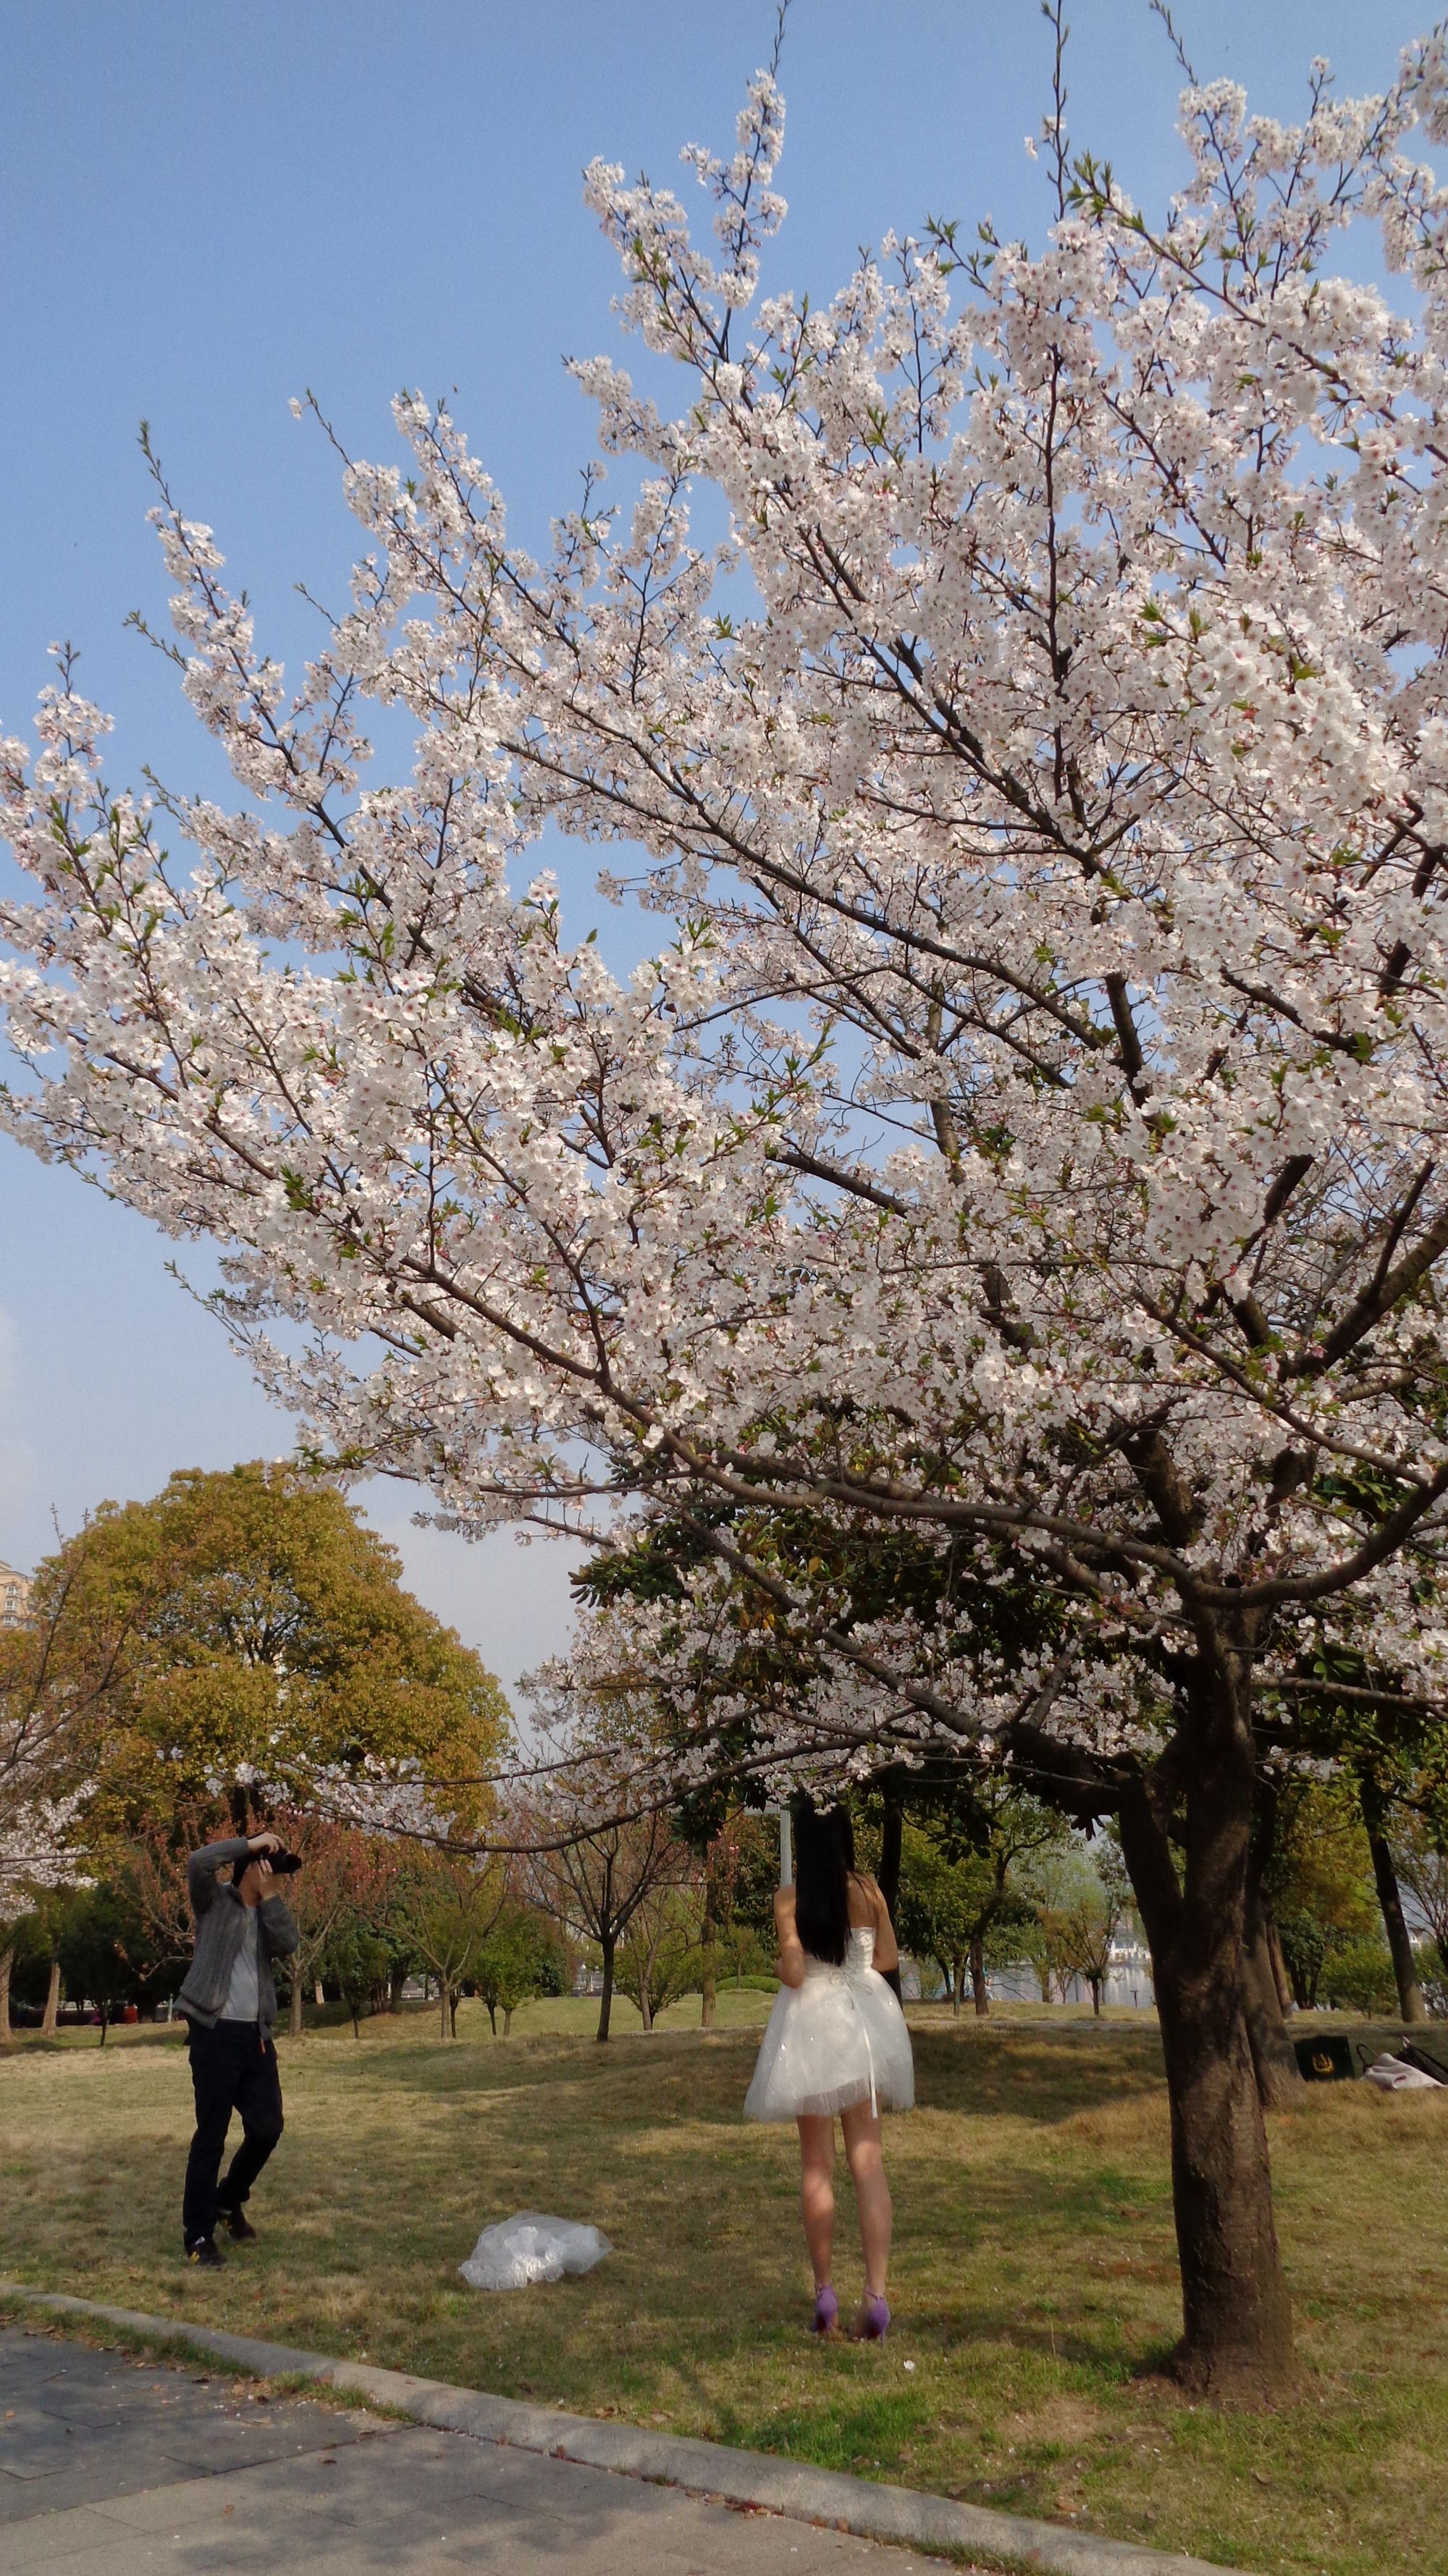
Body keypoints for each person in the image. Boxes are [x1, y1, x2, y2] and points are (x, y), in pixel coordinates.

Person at [744, 1800, 914, 2339]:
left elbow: (794, 1971)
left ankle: (824, 2293)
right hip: (864, 2025)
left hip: (813, 2025)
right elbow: (887, 1959)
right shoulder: (868, 1891)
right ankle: (878, 2296)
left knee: (817, 2167)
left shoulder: (790, 1898)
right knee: (869, 2163)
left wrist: (777, 1964)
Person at [177, 1828, 300, 2268]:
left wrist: (269, 1899)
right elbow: (197, 1862)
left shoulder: (267, 1913)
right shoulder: (214, 1903)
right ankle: (197, 2237)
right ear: (248, 1867)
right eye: (267, 1865)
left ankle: (227, 2200)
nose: (274, 1874)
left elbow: (289, 1943)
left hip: (256, 2038)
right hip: (215, 2033)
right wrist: (250, 1844)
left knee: (268, 2128)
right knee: (211, 2136)